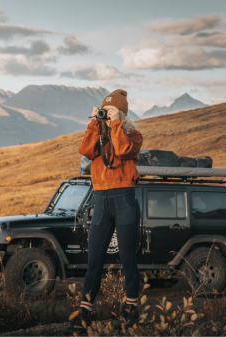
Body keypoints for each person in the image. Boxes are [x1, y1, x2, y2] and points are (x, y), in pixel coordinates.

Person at [67, 89, 143, 333]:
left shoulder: (134, 135)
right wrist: (95, 123)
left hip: (125, 200)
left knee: (128, 258)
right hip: (101, 201)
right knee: (93, 261)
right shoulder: (98, 135)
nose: (107, 114)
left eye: (112, 110)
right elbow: (85, 151)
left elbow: (121, 150)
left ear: (121, 113)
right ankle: (84, 311)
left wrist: (115, 124)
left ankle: (131, 308)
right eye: (105, 110)